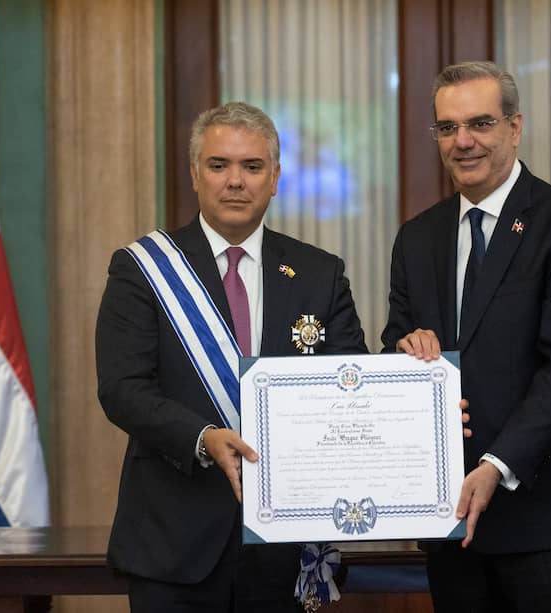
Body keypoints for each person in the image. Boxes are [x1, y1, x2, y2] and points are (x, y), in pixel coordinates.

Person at [95, 102, 368, 612]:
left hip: (284, 546)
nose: (235, 181)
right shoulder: (142, 269)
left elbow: (349, 388)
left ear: (276, 178)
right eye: (219, 165)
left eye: (252, 166)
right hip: (174, 543)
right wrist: (202, 437)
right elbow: (122, 389)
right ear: (195, 174)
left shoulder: (318, 272)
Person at [382, 61, 551, 613]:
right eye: (447, 127)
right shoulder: (417, 238)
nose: (463, 141)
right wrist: (407, 349)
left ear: (515, 126)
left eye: (480, 123)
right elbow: (397, 339)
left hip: (546, 523)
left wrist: (496, 465)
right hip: (450, 518)